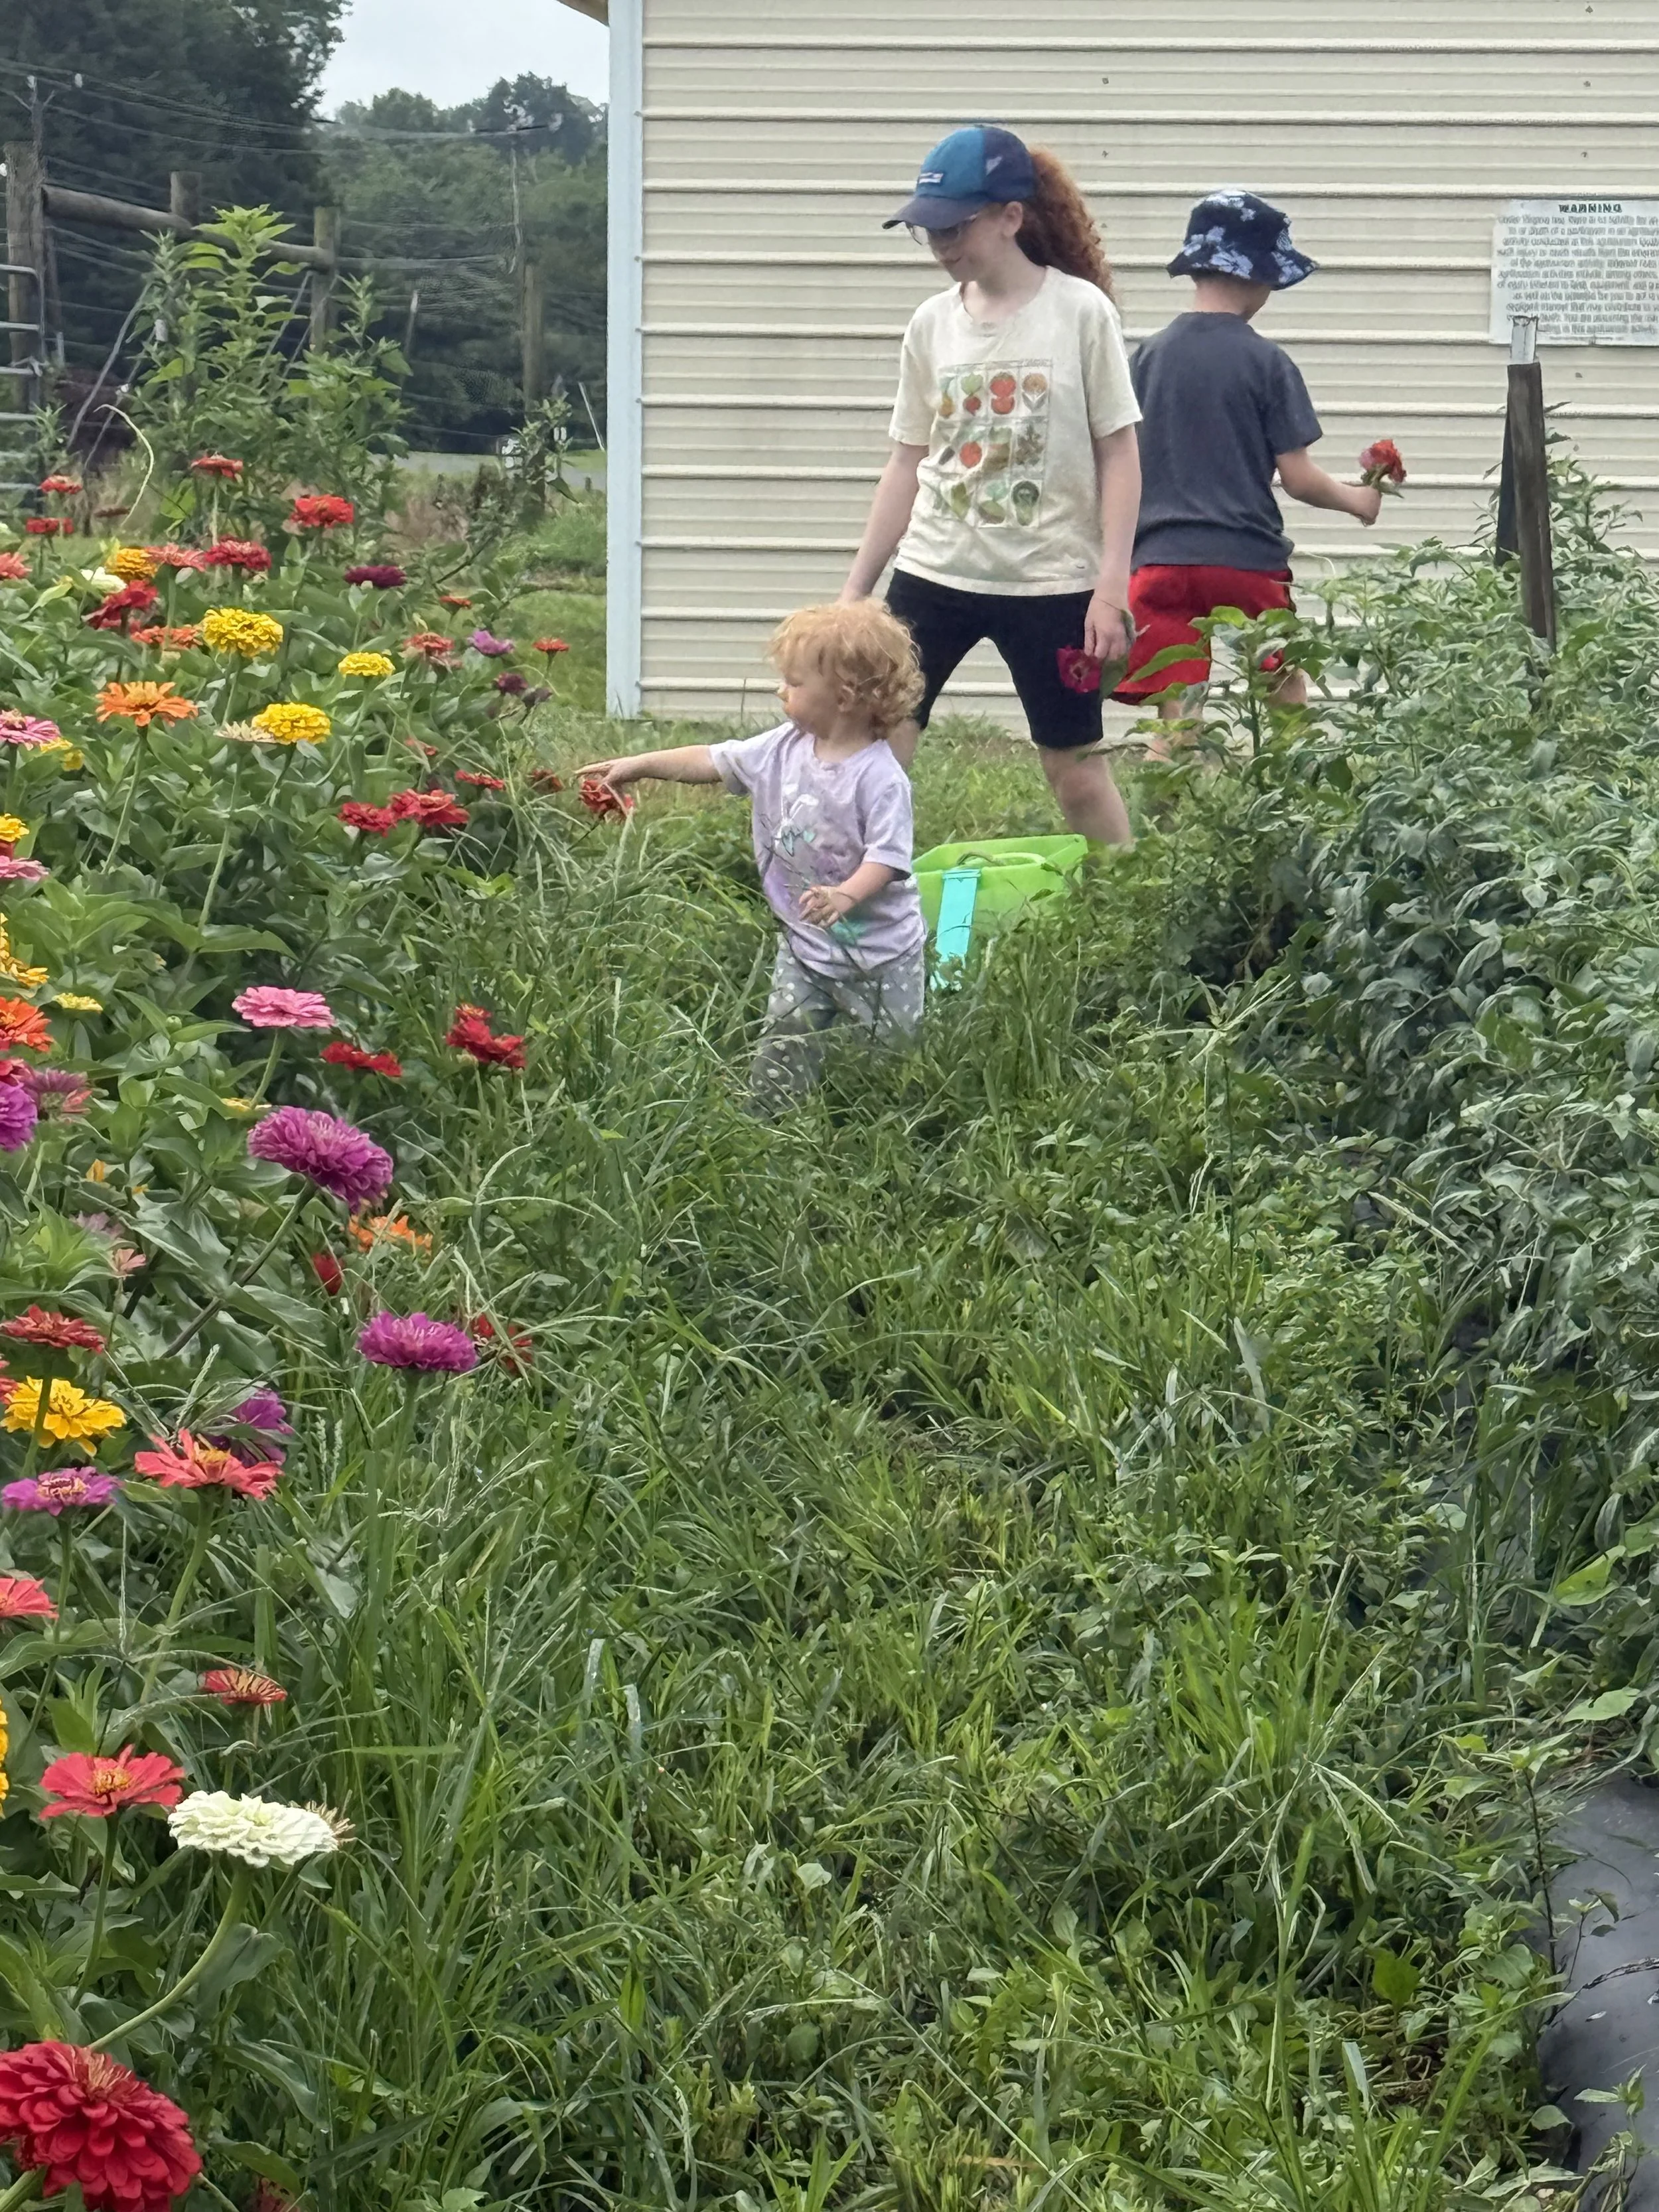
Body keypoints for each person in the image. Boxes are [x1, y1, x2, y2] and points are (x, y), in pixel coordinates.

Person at [840, 125, 1142, 848]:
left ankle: (1137, 908)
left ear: (1011, 217)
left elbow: (1120, 454)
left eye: (955, 226)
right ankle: (850, 907)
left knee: (1075, 772)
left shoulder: (1080, 314)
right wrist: (855, 592)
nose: (942, 245)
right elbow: (906, 463)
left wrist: (1110, 587)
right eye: (928, 230)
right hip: (932, 572)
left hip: (1051, 583)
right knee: (879, 753)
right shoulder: (930, 325)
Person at [581, 602, 927, 1108]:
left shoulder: (879, 777)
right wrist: (641, 763)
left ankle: (881, 1123)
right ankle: (769, 1115)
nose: (781, 690)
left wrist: (845, 894)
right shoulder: (782, 747)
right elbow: (712, 758)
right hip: (806, 941)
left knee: (888, 1051)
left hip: (881, 953)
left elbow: (889, 857)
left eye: (794, 681)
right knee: (787, 1030)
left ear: (845, 696)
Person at [1114, 190, 1384, 733]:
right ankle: (1296, 802)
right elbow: (1299, 478)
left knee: (1178, 709)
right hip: (1246, 563)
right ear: (1259, 277)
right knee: (1284, 690)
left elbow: (1119, 465)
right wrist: (1360, 499)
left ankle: (1170, 812)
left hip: (1160, 562)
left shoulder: (1143, 359)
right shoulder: (1266, 361)